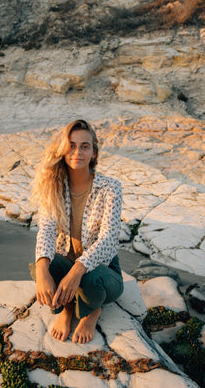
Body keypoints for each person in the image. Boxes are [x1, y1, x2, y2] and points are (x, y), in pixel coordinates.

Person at [31, 119, 123, 344]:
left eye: (84, 146)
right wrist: (43, 269)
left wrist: (76, 271)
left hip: (102, 271)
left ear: (94, 152)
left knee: (90, 280)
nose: (77, 152)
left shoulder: (110, 187)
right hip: (66, 262)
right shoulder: (53, 186)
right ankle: (67, 309)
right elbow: (46, 229)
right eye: (71, 145)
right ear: (63, 150)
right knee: (41, 270)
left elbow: (109, 240)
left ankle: (92, 312)